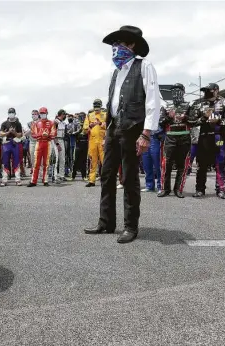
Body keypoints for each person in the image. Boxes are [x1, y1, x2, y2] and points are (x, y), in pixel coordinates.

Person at [84, 25, 160, 243]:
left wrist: (146, 133)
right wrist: (109, 126)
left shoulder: (144, 66)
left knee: (129, 177)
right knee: (107, 175)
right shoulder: (115, 72)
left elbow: (153, 100)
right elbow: (114, 104)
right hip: (113, 128)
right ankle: (106, 222)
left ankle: (130, 226)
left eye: (119, 43)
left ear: (131, 45)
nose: (116, 48)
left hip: (133, 128)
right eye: (115, 45)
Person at [190, 83, 225, 199]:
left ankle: (221, 189)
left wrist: (218, 121)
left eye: (208, 90)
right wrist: (204, 118)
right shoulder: (199, 104)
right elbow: (193, 122)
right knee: (201, 165)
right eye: (205, 91)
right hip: (204, 138)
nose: (206, 93)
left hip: (219, 138)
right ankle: (200, 189)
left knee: (220, 163)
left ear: (216, 91)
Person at [158, 83, 193, 198]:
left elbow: (195, 121)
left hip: (184, 138)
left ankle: (178, 189)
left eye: (178, 90)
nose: (175, 93)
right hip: (170, 138)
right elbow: (160, 122)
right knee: (166, 164)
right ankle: (165, 189)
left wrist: (185, 118)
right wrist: (169, 117)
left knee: (182, 165)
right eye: (173, 90)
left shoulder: (189, 105)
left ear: (183, 92)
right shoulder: (166, 106)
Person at [28, 107, 56, 187]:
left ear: (47, 113)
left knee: (46, 163)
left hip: (47, 143)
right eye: (41, 113)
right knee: (36, 163)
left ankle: (45, 180)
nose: (42, 114)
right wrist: (41, 135)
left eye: (44, 113)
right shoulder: (36, 123)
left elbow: (54, 133)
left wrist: (48, 135)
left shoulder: (51, 123)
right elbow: (33, 134)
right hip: (39, 143)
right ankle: (33, 181)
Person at [141, 105, 164, 193]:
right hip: (144, 138)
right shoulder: (142, 111)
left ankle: (160, 186)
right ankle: (149, 185)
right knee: (146, 164)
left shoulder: (160, 110)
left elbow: (162, 126)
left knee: (158, 164)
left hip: (155, 139)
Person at [84, 99, 107, 187]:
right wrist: (89, 126)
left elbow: (109, 125)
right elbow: (85, 129)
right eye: (95, 106)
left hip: (102, 141)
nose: (96, 108)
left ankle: (105, 180)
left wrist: (101, 123)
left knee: (104, 161)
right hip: (92, 141)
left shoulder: (105, 114)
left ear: (101, 106)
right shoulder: (89, 115)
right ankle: (92, 180)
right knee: (92, 161)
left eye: (98, 106)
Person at [0, 107, 23, 186]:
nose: (11, 114)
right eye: (10, 112)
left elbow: (20, 135)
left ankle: (17, 179)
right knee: (5, 161)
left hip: (15, 142)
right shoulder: (4, 123)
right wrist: (8, 132)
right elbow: (1, 134)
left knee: (16, 161)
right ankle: (4, 179)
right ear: (8, 114)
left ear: (15, 113)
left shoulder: (18, 123)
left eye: (12, 112)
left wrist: (14, 132)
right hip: (6, 143)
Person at [72, 112, 89, 180]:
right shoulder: (76, 124)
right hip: (78, 143)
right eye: (80, 117)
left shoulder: (87, 124)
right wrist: (79, 130)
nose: (82, 118)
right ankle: (73, 176)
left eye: (83, 116)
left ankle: (84, 176)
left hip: (85, 143)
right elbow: (72, 133)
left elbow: (89, 133)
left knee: (84, 160)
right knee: (76, 160)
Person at [53, 109, 67, 184]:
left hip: (62, 140)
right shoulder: (55, 122)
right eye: (64, 115)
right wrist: (57, 144)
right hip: (56, 140)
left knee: (62, 159)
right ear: (62, 114)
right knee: (56, 159)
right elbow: (53, 133)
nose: (65, 116)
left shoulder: (63, 123)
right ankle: (54, 176)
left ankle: (61, 175)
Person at [66, 114, 78, 179]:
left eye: (71, 117)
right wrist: (68, 132)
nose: (69, 118)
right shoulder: (66, 125)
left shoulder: (75, 124)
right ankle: (70, 171)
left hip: (74, 143)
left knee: (74, 158)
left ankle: (74, 172)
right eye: (68, 117)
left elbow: (78, 131)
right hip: (68, 144)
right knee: (70, 158)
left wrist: (74, 132)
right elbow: (66, 133)